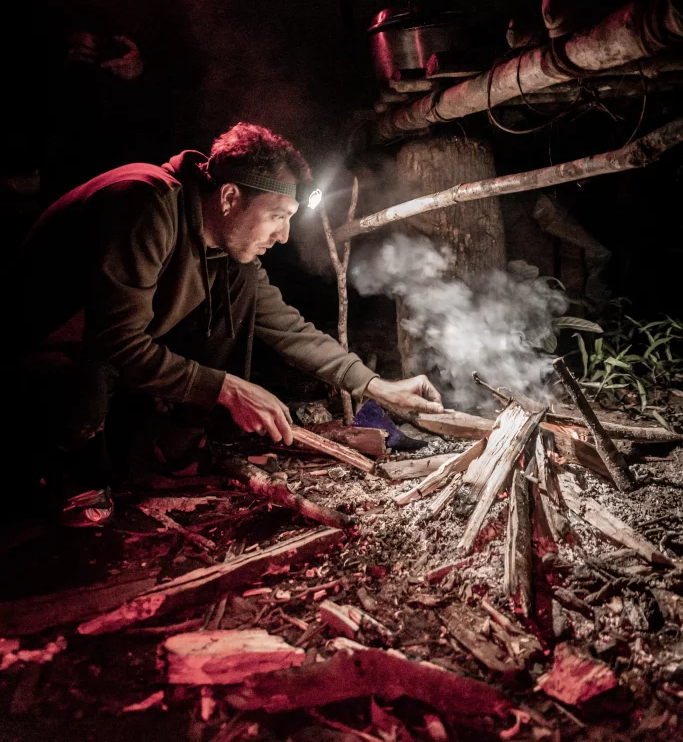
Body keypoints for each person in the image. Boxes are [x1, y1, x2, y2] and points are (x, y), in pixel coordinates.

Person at [7, 123, 442, 526]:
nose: (284, 235)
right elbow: (115, 342)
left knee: (240, 301)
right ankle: (68, 477)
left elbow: (286, 327)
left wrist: (375, 385)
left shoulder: (228, 249)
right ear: (230, 198)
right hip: (43, 355)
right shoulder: (145, 203)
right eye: (277, 215)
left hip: (103, 361)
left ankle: (176, 441)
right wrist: (228, 389)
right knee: (82, 396)